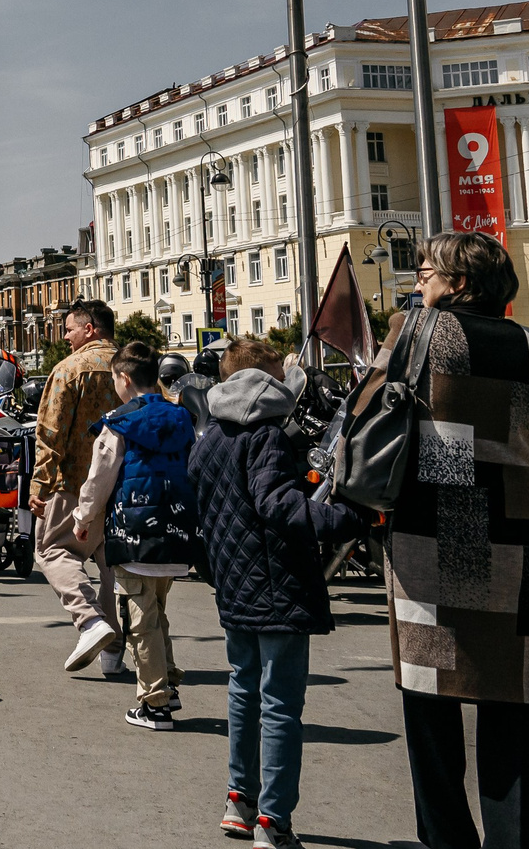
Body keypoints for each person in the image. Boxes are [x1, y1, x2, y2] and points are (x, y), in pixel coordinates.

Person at [380, 233, 529, 849]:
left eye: (426, 270)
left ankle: (448, 839)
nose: (419, 280)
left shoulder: (415, 330)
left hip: (430, 531)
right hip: (511, 535)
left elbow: (370, 416)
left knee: (430, 698)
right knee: (511, 699)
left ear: (459, 282)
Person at [190, 336, 365, 848]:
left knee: (243, 691)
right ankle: (273, 820)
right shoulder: (265, 436)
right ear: (267, 383)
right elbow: (278, 505)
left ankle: (239, 801)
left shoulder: (211, 436)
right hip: (277, 583)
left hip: (233, 584)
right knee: (281, 704)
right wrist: (345, 517)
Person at [69, 340, 197, 731]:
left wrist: (83, 518)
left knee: (140, 619)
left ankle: (155, 704)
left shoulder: (119, 422)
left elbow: (100, 478)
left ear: (124, 379)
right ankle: (168, 685)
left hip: (135, 532)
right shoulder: (182, 417)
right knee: (157, 610)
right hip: (176, 531)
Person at [32, 299, 123, 675]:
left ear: (89, 329)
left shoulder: (69, 369)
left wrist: (39, 485)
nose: (65, 336)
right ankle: (113, 653)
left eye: (69, 329)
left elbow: (50, 433)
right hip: (124, 484)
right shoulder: (133, 366)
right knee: (111, 566)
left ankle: (90, 621)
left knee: (52, 550)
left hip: (73, 481)